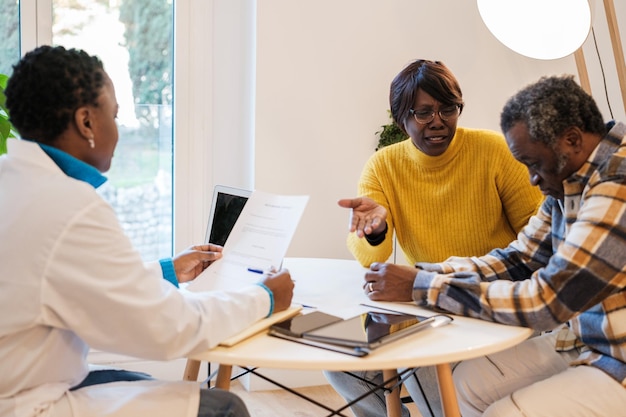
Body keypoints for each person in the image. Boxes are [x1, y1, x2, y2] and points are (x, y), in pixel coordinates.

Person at [0, 45, 294, 417]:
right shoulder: (69, 206)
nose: (118, 133)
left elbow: (66, 279)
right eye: (115, 116)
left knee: (135, 379)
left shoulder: (13, 180)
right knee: (223, 408)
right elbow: (170, 329)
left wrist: (166, 271)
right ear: (86, 122)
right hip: (25, 403)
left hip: (20, 378)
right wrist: (265, 297)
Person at [363, 74, 626, 416]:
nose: (532, 179)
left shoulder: (616, 184)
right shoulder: (569, 177)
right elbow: (519, 259)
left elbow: (546, 302)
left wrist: (422, 286)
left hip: (616, 355)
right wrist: (421, 275)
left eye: (533, 164)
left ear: (572, 140)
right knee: (465, 389)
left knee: (501, 412)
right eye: (423, 113)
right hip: (585, 339)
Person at [326, 59, 544, 417]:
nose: (438, 121)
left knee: (439, 398)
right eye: (424, 113)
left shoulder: (493, 151)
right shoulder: (384, 166)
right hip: (424, 305)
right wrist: (377, 229)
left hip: (488, 301)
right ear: (402, 119)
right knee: (336, 357)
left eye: (448, 109)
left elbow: (537, 239)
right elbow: (368, 256)